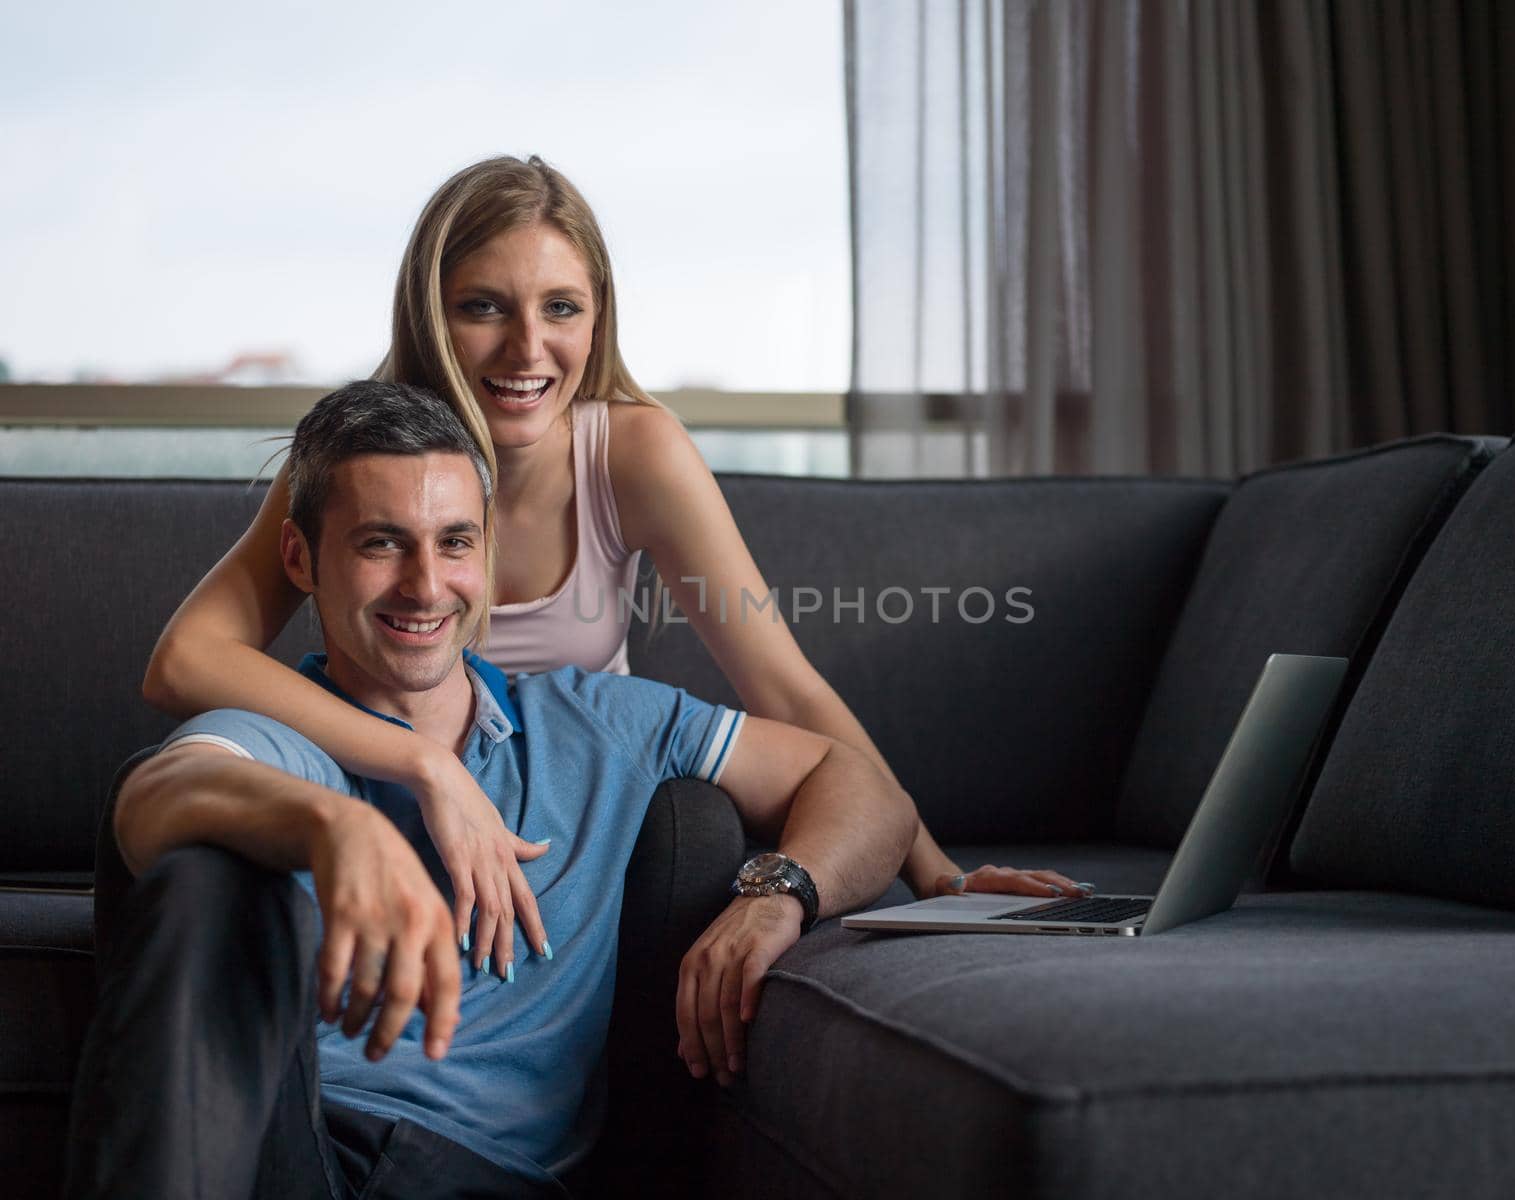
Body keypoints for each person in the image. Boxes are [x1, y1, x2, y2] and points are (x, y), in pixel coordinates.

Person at [143, 154, 1085, 1002]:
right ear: (432, 312)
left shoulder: (630, 453)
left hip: (571, 824)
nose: (526, 350)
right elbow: (185, 660)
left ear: (598, 319)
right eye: (483, 307)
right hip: (386, 795)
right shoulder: (371, 454)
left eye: (561, 307)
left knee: (698, 825)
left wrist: (933, 872)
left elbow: (785, 686)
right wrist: (423, 763)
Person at [68, 380, 919, 1198]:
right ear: (300, 556)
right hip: (285, 1151)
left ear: (487, 552)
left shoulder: (595, 721)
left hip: (478, 1172)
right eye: (380, 542)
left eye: (454, 541)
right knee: (202, 874)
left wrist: (778, 896)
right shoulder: (285, 734)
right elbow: (153, 796)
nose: (426, 585)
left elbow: (861, 786)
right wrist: (333, 827)